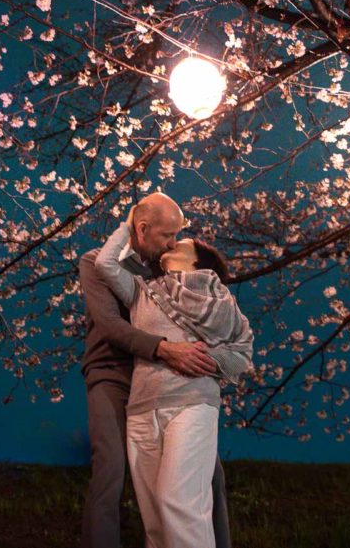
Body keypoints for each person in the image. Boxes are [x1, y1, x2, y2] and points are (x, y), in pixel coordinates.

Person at [79, 193, 235, 548]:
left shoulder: (164, 267)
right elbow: (110, 327)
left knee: (210, 472)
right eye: (167, 235)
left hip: (160, 375)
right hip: (112, 373)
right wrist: (165, 348)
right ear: (142, 228)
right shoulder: (94, 263)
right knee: (111, 467)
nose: (173, 243)